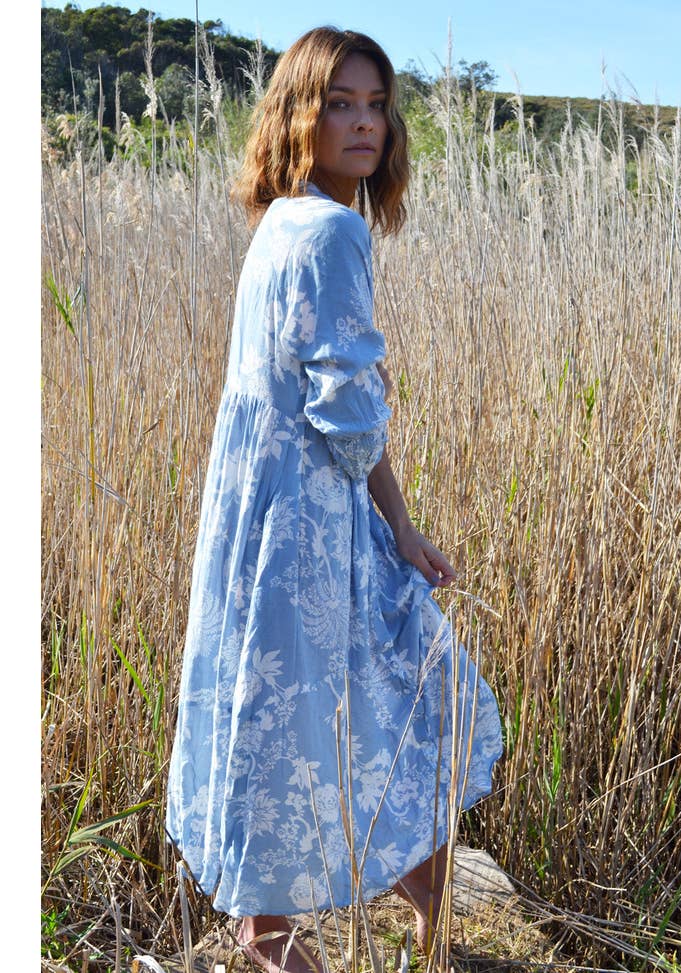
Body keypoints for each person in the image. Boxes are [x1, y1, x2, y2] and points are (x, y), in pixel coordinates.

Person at [166, 26, 503, 973]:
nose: (363, 124)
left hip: (254, 515)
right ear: (299, 117)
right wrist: (393, 497)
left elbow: (318, 391)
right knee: (401, 696)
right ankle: (363, 924)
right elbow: (349, 415)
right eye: (339, 104)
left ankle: (304, 925)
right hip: (309, 524)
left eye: (376, 106)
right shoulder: (333, 231)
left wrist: (397, 514)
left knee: (286, 717)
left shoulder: (280, 222)